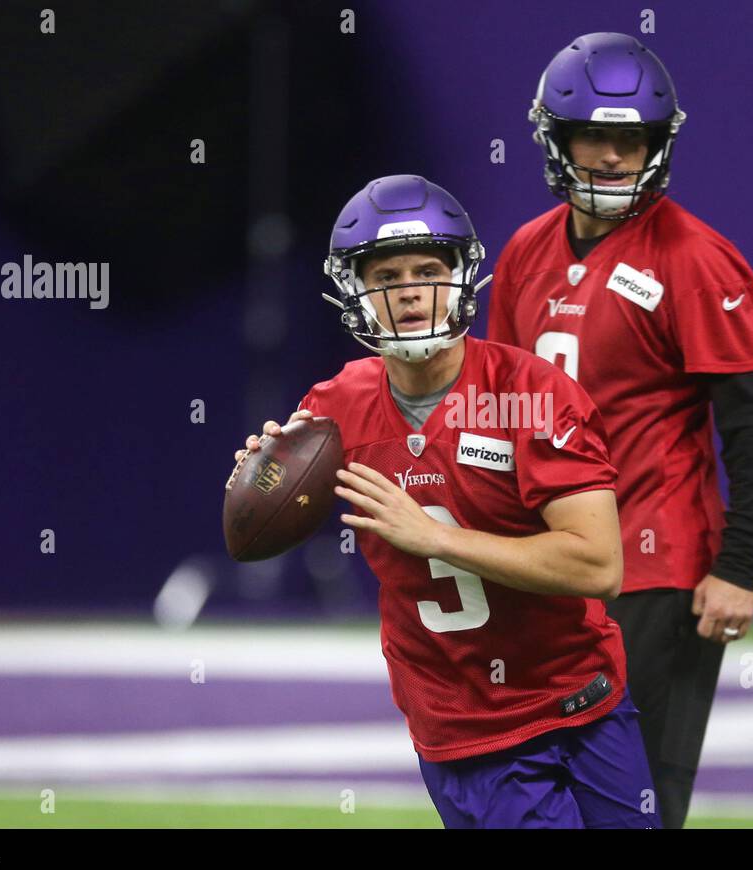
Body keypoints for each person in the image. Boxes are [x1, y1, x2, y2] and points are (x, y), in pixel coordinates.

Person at [231, 174, 658, 828]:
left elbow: (599, 565)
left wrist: (438, 537)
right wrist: (261, 479)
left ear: (462, 275)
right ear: (355, 291)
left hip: (589, 697)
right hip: (473, 729)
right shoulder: (331, 412)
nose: (408, 291)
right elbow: (254, 525)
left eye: (428, 270)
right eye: (387, 275)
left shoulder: (532, 395)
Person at [486, 33, 753, 829]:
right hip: (553, 567)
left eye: (633, 140)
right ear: (558, 137)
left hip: (659, 566)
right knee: (546, 792)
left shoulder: (695, 258)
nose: (616, 157)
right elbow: (501, 415)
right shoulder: (523, 253)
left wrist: (740, 565)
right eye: (597, 136)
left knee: (642, 800)